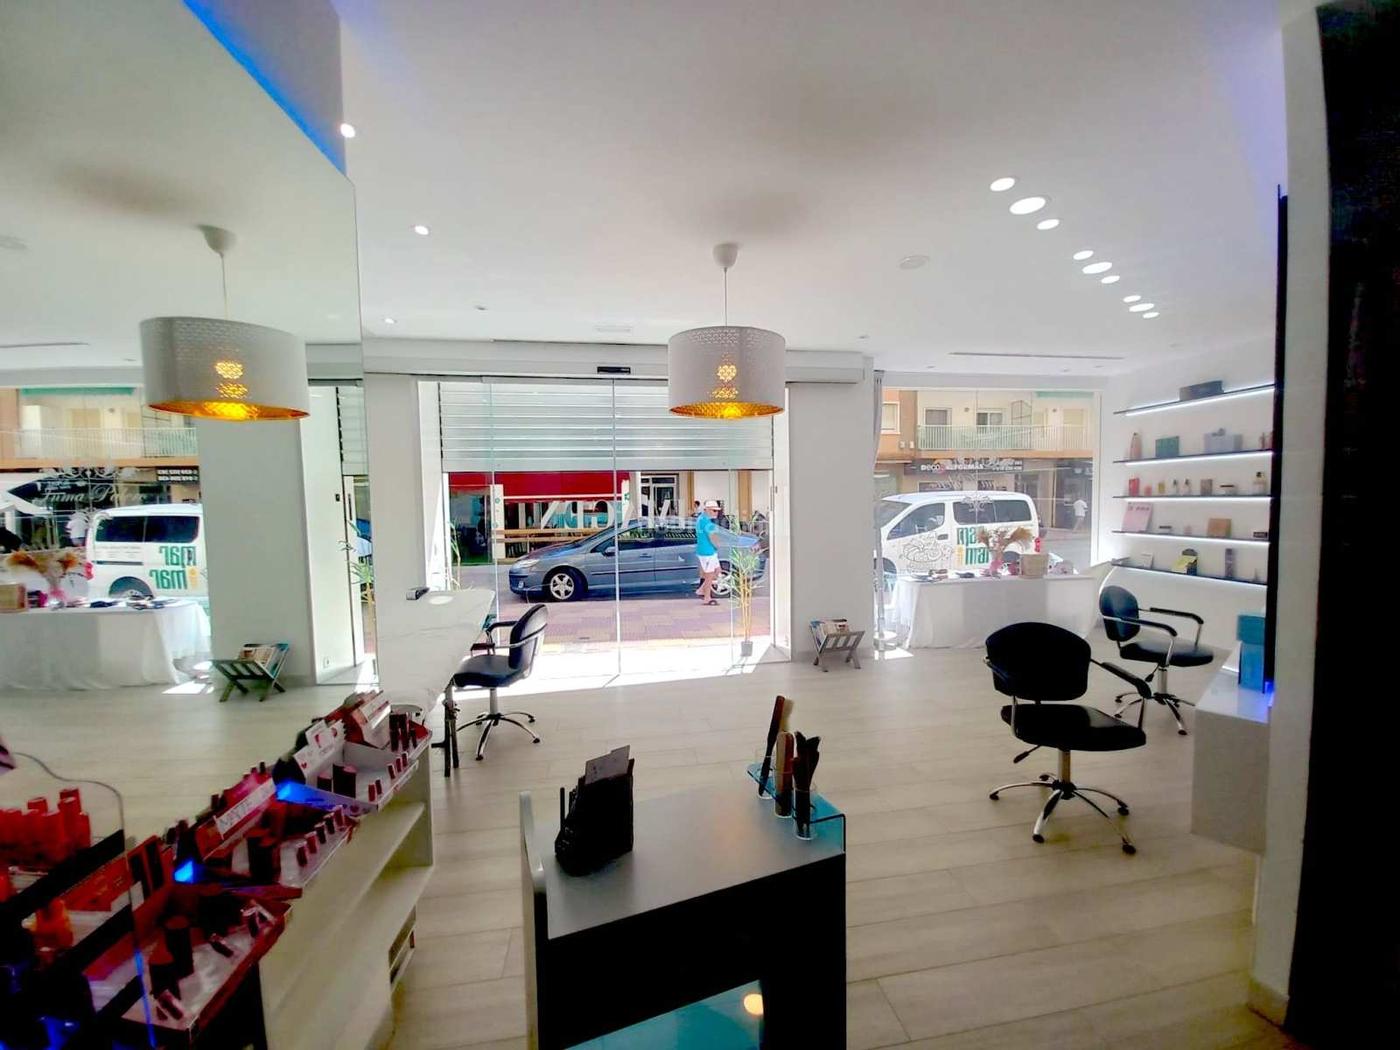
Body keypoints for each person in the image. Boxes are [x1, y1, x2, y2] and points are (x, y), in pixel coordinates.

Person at [694, 499, 721, 605]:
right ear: (707, 510)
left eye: (717, 510)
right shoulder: (708, 523)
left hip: (704, 551)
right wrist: (718, 545)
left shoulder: (700, 519)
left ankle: (701, 590)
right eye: (714, 510)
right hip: (708, 552)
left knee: (717, 571)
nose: (716, 513)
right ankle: (707, 597)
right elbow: (713, 538)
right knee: (710, 575)